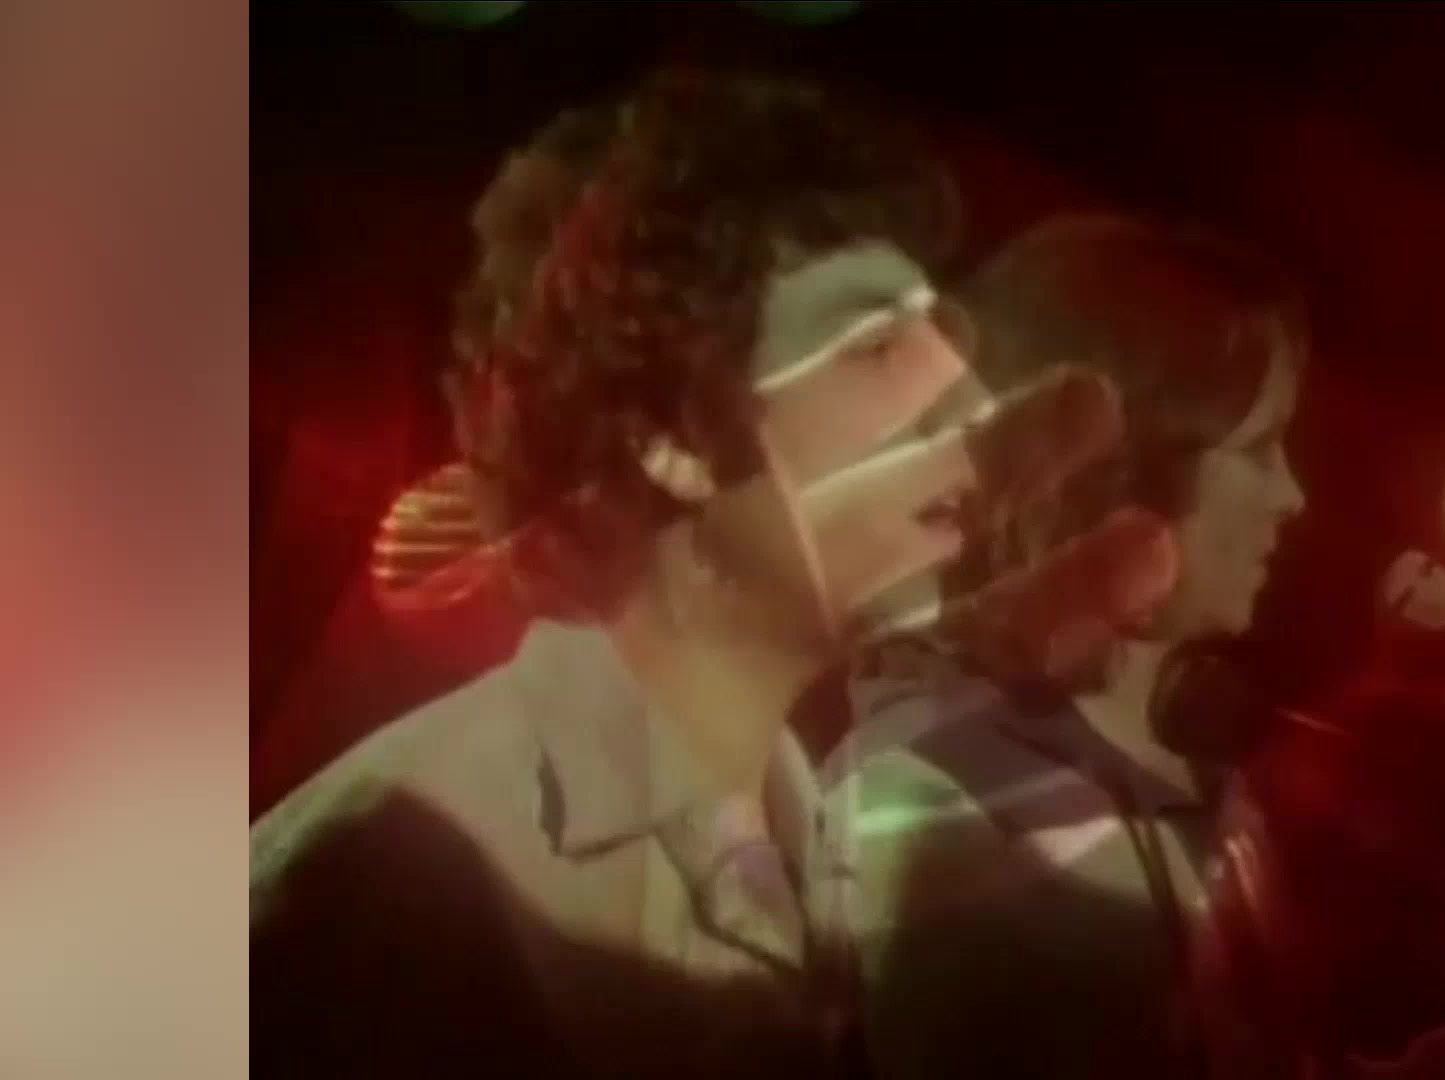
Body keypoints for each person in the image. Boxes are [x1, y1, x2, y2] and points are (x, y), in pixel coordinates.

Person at [250, 70, 1147, 1077]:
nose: (973, 402)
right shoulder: (419, 862)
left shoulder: (825, 850)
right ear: (672, 440)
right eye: (879, 347)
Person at [834, 215, 1310, 1079]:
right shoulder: (941, 792)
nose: (1293, 496)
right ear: (1121, 468)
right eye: (1259, 450)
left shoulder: (1209, 784)